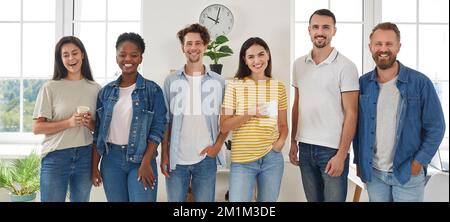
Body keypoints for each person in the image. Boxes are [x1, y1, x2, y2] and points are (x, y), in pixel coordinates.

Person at [353, 22, 446, 202]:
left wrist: (418, 162)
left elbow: (436, 127)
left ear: (399, 47)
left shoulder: (419, 82)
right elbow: (357, 128)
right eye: (378, 44)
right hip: (374, 174)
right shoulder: (362, 84)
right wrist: (359, 162)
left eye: (389, 44)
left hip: (407, 173)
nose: (383, 49)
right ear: (370, 47)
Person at [289, 9, 359, 202]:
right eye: (316, 27)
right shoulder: (298, 64)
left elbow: (352, 113)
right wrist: (293, 141)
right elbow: (297, 105)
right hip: (305, 146)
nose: (320, 31)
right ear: (309, 30)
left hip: (332, 150)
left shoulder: (346, 66)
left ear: (334, 31)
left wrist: (342, 154)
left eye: (326, 27)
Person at [91, 32, 166, 202]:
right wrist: (94, 167)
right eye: (122, 54)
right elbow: (98, 133)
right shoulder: (106, 92)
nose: (128, 59)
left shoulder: (153, 90)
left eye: (134, 55)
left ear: (140, 58)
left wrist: (146, 162)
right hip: (111, 161)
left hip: (141, 159)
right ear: (116, 57)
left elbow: (157, 129)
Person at [161, 23, 227, 202]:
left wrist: (217, 146)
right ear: (183, 47)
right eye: (189, 43)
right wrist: (165, 154)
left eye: (198, 43)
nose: (193, 48)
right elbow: (165, 121)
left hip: (205, 159)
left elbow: (228, 119)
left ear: (205, 46)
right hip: (176, 160)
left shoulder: (219, 82)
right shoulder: (171, 81)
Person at [32, 36, 101, 202]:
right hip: (56, 156)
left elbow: (100, 129)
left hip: (85, 156)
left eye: (75, 53)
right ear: (60, 59)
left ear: (82, 55)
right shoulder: (51, 87)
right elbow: (37, 127)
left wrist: (89, 122)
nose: (71, 58)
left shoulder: (96, 88)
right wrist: (68, 123)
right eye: (65, 55)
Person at [221, 37, 288, 202]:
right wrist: (250, 113)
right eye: (251, 57)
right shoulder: (234, 86)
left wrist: (279, 144)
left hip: (272, 159)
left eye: (261, 54)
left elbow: (283, 125)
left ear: (268, 56)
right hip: (243, 161)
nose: (257, 60)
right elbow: (224, 126)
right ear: (244, 60)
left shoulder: (278, 86)